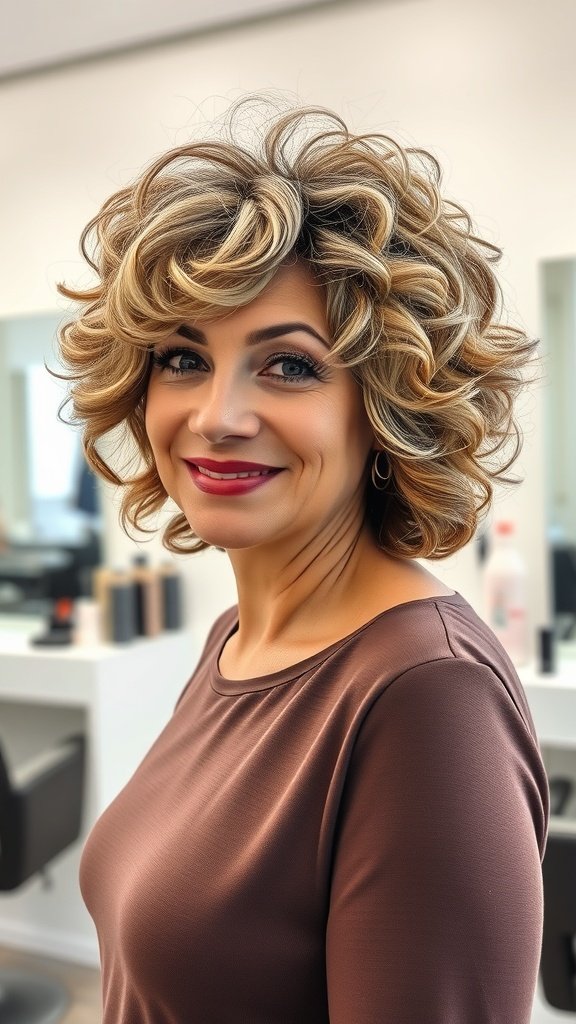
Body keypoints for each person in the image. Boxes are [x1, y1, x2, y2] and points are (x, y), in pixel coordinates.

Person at [57, 100, 549, 1023]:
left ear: (387, 405)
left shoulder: (427, 697)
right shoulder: (235, 640)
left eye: (288, 366)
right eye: (181, 358)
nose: (216, 416)